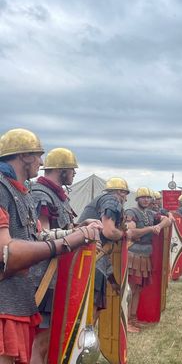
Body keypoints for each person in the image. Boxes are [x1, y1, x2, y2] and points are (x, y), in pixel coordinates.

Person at [0, 128, 102, 364]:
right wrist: (66, 243)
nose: (41, 162)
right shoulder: (2, 188)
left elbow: (37, 235)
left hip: (17, 295)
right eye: (37, 155)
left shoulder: (20, 192)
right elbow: (7, 252)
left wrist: (76, 232)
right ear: (24, 156)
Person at [30, 148, 79, 363]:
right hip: (42, 276)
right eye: (71, 170)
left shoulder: (58, 195)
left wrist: (81, 227)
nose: (74, 174)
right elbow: (44, 236)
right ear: (61, 170)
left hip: (56, 274)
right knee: (39, 340)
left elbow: (64, 228)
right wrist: (79, 234)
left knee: (50, 338)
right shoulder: (41, 194)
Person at [78, 177, 133, 324]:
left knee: (87, 311)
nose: (125, 198)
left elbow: (105, 245)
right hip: (91, 258)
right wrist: (124, 235)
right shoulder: (111, 200)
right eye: (124, 193)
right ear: (119, 192)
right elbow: (108, 231)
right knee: (90, 312)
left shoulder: (101, 200)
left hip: (86, 258)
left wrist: (113, 280)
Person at [125, 187, 171, 333]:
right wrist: (151, 229)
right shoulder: (131, 212)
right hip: (133, 255)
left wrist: (158, 225)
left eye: (148, 197)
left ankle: (133, 318)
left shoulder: (150, 213)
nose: (146, 199)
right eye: (143, 197)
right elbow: (131, 232)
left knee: (138, 289)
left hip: (145, 256)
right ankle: (125, 321)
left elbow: (169, 220)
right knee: (130, 289)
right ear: (137, 199)